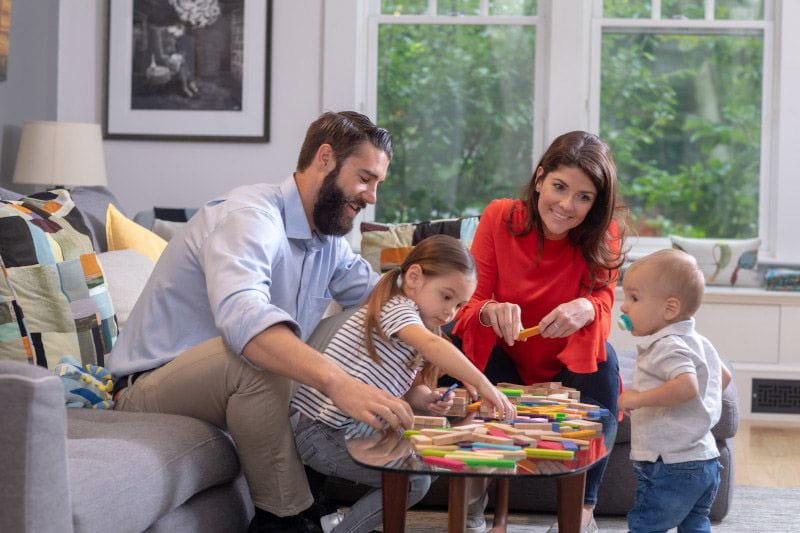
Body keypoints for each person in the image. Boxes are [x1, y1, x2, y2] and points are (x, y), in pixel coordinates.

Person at [107, 111, 417, 533]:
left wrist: (463, 319)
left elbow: (383, 301)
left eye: (377, 183)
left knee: (343, 334)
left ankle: (318, 498)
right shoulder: (249, 217)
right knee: (257, 355)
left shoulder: (326, 240)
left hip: (236, 395)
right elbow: (244, 318)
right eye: (365, 178)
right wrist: (338, 382)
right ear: (325, 158)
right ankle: (286, 520)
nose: (372, 196)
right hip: (152, 390)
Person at [449, 130, 627, 532]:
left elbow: (604, 302)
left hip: (568, 365)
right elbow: (466, 306)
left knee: (606, 360)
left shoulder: (605, 234)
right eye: (559, 187)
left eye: (583, 197)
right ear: (540, 177)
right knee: (456, 345)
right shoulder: (499, 216)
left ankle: (582, 510)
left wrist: (587, 305)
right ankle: (475, 492)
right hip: (505, 360)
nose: (566, 205)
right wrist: (490, 310)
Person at [291, 234, 517, 533]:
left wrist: (425, 398)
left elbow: (403, 387)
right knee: (414, 481)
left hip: (348, 430)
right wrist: (482, 383)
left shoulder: (414, 323)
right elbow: (433, 347)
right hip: (321, 433)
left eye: (460, 304)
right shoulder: (395, 308)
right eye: (446, 296)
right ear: (414, 277)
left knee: (432, 458)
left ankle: (343, 525)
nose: (450, 312)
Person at [617, 249, 732, 533]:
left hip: (670, 464)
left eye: (633, 297)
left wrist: (638, 398)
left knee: (646, 525)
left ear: (669, 308)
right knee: (695, 524)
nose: (623, 307)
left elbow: (686, 386)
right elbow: (723, 377)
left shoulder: (666, 345)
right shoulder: (698, 341)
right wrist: (694, 413)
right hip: (704, 460)